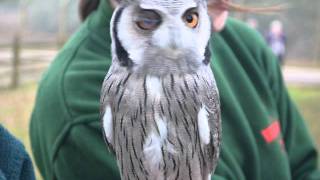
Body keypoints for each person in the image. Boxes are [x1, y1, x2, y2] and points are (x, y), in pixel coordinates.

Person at [29, 0, 320, 179]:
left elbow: (306, 167)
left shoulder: (246, 45)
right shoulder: (77, 99)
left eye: (191, 18)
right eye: (148, 20)